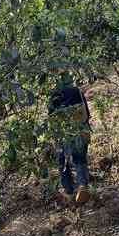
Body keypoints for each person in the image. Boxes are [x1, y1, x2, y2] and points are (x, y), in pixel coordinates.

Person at [48, 72, 92, 204]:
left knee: (62, 162)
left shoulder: (54, 95)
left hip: (62, 133)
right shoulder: (76, 91)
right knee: (80, 158)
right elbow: (87, 113)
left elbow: (51, 117)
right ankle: (82, 185)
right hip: (79, 130)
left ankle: (69, 191)